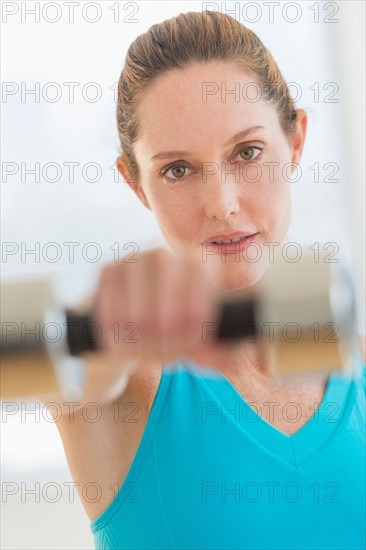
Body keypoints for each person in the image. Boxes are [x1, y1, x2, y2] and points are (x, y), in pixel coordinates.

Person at [52, 11, 366, 549]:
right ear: (137, 185)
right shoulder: (128, 382)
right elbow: (76, 372)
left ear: (295, 141)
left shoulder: (355, 355)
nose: (222, 204)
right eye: (178, 169)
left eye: (247, 153)